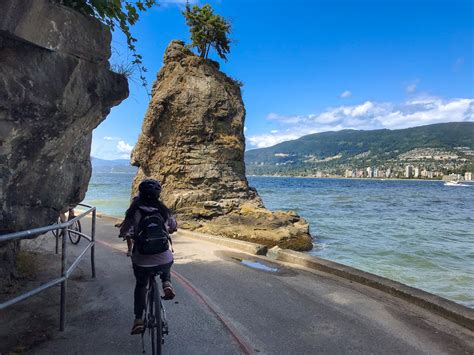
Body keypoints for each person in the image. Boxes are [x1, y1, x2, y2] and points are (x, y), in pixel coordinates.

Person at [119, 178, 177, 335]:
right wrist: (169, 230)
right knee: (166, 259)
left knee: (141, 285)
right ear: (158, 195)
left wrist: (124, 233)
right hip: (163, 258)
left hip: (142, 260)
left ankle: (138, 319)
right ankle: (166, 283)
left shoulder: (134, 211)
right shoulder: (164, 210)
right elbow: (173, 226)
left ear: (140, 193)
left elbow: (125, 230)